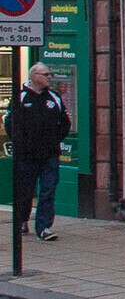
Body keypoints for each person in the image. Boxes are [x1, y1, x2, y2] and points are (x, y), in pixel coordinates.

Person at [4, 62, 72, 241]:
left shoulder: (54, 98)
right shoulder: (20, 98)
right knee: (25, 190)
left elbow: (65, 122)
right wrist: (21, 143)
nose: (49, 77)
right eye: (45, 74)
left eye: (49, 74)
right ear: (34, 76)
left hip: (49, 155)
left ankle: (44, 226)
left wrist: (54, 139)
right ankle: (22, 220)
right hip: (27, 156)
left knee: (48, 190)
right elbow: (9, 122)